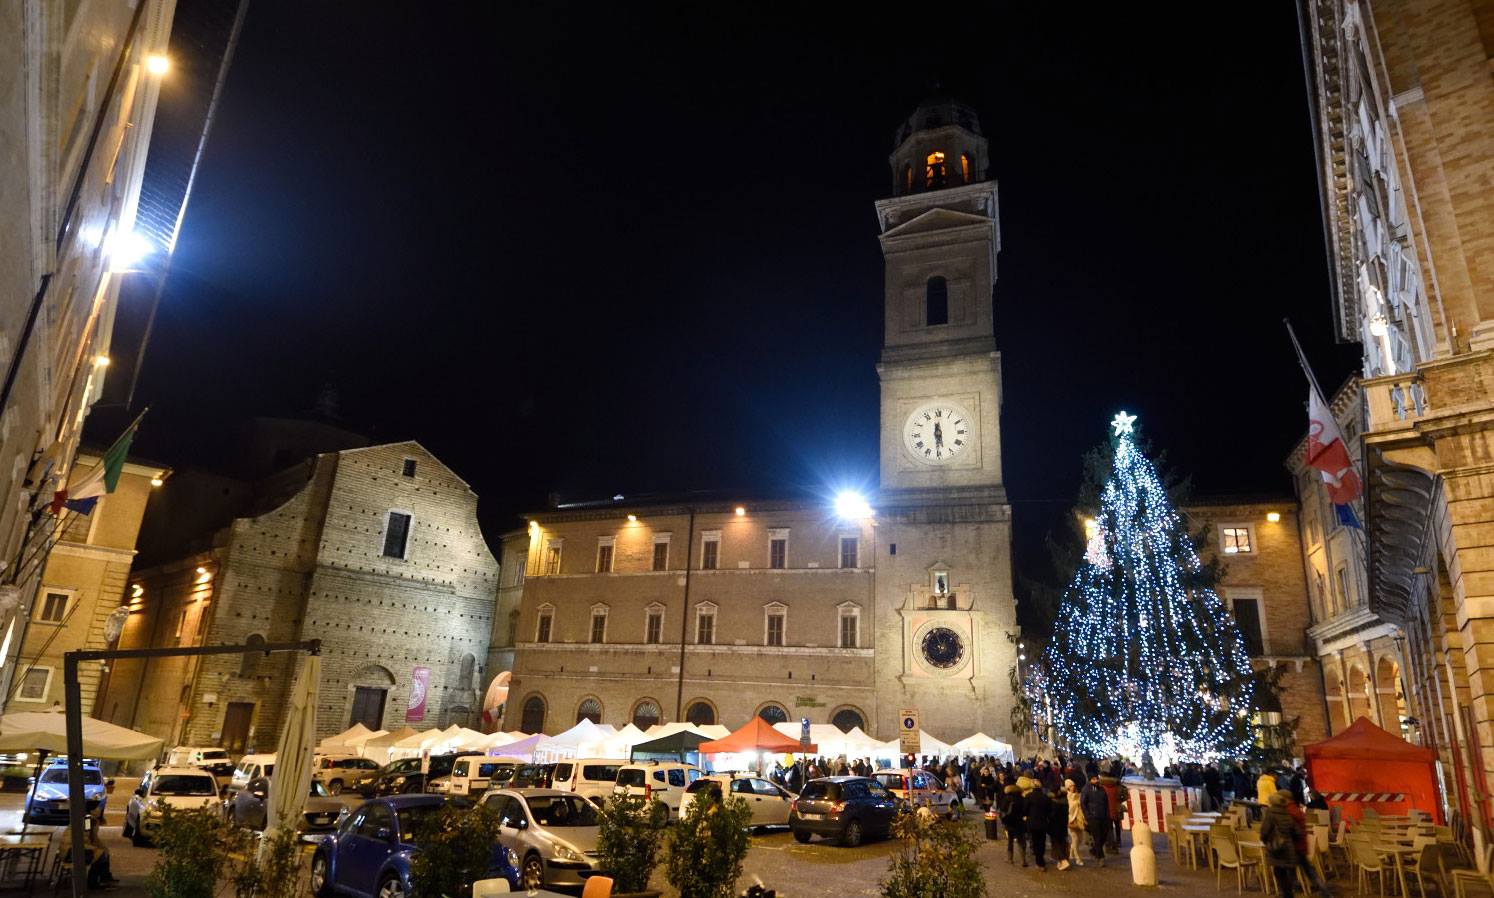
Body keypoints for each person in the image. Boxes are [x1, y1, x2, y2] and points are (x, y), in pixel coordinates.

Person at [1260, 790, 1303, 897]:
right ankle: (1288, 894)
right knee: (1286, 873)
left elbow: (1264, 832)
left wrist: (1267, 841)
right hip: (1288, 848)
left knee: (1279, 873)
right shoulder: (1287, 814)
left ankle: (1286, 894)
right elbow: (1297, 832)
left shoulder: (1270, 814)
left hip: (1277, 849)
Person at [1080, 773, 1111, 866]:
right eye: (1093, 779)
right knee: (1097, 837)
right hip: (1093, 817)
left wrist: (1107, 814)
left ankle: (1095, 850)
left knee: (1104, 836)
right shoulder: (1086, 789)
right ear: (1090, 780)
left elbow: (1106, 802)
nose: (1096, 780)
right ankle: (1100, 858)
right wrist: (1087, 815)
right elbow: (1083, 803)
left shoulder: (1101, 789)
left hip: (1103, 816)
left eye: (1096, 778)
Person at [1024, 779, 1053, 871]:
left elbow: (1025, 810)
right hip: (1043, 822)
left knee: (1035, 841)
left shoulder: (1029, 796)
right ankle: (1041, 859)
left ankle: (1039, 861)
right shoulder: (1046, 797)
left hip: (1032, 822)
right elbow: (1050, 810)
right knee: (1042, 841)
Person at [1000, 773, 1027, 866]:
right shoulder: (1021, 798)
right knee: (1021, 840)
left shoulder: (1007, 798)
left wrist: (1003, 821)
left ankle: (1010, 858)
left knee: (1010, 840)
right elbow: (1025, 810)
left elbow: (1003, 810)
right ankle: (1023, 859)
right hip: (1020, 821)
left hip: (1010, 821)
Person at [1064, 777, 1086, 867]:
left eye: (1073, 785)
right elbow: (1068, 809)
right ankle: (1078, 858)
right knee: (1075, 839)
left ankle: (1071, 853)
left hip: (1079, 820)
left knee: (1080, 839)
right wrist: (1076, 804)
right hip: (1070, 820)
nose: (1073, 787)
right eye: (1071, 786)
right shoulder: (1067, 797)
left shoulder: (1078, 795)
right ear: (1067, 788)